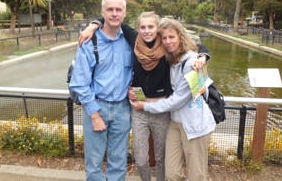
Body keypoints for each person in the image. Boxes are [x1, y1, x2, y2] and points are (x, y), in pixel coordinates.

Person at [79, 12, 210, 181]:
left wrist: (202, 56)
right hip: (139, 109)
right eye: (143, 27)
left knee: (163, 158)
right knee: (140, 159)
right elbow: (113, 16)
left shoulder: (167, 49)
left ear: (157, 29)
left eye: (151, 27)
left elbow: (196, 47)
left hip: (165, 110)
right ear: (138, 28)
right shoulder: (134, 40)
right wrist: (93, 25)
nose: (147, 31)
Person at [130, 17, 216, 181]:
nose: (168, 42)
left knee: (196, 175)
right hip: (175, 122)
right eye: (164, 38)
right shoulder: (170, 59)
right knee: (172, 174)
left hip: (194, 123)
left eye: (172, 37)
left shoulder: (191, 63)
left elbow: (177, 100)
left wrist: (145, 106)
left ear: (180, 37)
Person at [69, 0, 133, 181]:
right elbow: (80, 82)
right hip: (97, 107)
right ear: (102, 12)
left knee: (118, 161)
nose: (114, 13)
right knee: (94, 163)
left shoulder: (131, 41)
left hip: (123, 109)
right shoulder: (89, 42)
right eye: (110, 9)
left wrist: (202, 55)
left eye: (118, 9)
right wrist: (95, 115)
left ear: (124, 13)